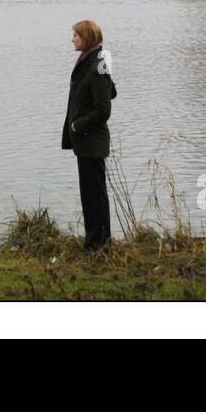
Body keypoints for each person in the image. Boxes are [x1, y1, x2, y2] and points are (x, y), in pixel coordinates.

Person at [62, 19, 117, 251]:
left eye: (76, 35)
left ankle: (98, 244)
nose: (72, 39)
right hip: (86, 141)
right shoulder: (91, 61)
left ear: (87, 38)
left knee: (95, 194)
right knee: (90, 194)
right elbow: (111, 91)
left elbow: (104, 108)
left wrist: (77, 126)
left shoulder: (96, 65)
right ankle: (96, 241)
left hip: (91, 140)